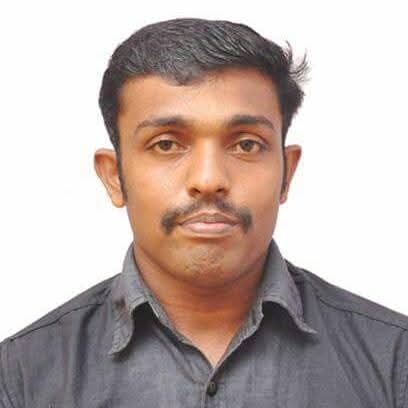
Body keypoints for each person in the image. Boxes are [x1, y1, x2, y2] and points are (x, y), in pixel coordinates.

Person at [1, 17, 407, 408]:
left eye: (246, 144)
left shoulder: (394, 362)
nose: (209, 179)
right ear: (114, 177)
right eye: (166, 144)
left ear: (287, 174)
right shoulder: (19, 377)